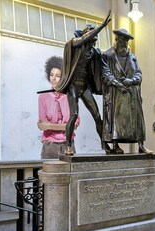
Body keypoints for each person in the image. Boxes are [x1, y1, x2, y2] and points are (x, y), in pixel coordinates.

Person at [54, 10, 112, 155]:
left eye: (96, 33)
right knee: (73, 115)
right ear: (86, 34)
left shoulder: (95, 52)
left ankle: (105, 145)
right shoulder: (75, 44)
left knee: (97, 116)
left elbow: (105, 64)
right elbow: (84, 39)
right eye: (92, 33)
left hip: (84, 86)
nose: (95, 36)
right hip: (73, 86)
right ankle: (68, 145)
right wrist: (102, 25)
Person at [101, 29, 152, 154]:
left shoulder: (133, 57)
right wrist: (118, 84)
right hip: (116, 93)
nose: (124, 43)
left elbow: (139, 73)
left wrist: (131, 80)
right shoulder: (108, 56)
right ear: (117, 40)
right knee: (115, 119)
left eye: (126, 41)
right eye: (122, 40)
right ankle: (115, 145)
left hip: (132, 93)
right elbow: (105, 73)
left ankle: (141, 145)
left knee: (137, 120)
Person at [38, 56, 80, 159]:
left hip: (68, 145)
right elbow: (42, 125)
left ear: (64, 77)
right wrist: (66, 126)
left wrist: (49, 125)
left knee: (69, 175)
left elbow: (74, 124)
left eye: (57, 75)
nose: (53, 78)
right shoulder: (43, 97)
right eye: (52, 75)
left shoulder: (71, 96)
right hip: (49, 146)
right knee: (49, 175)